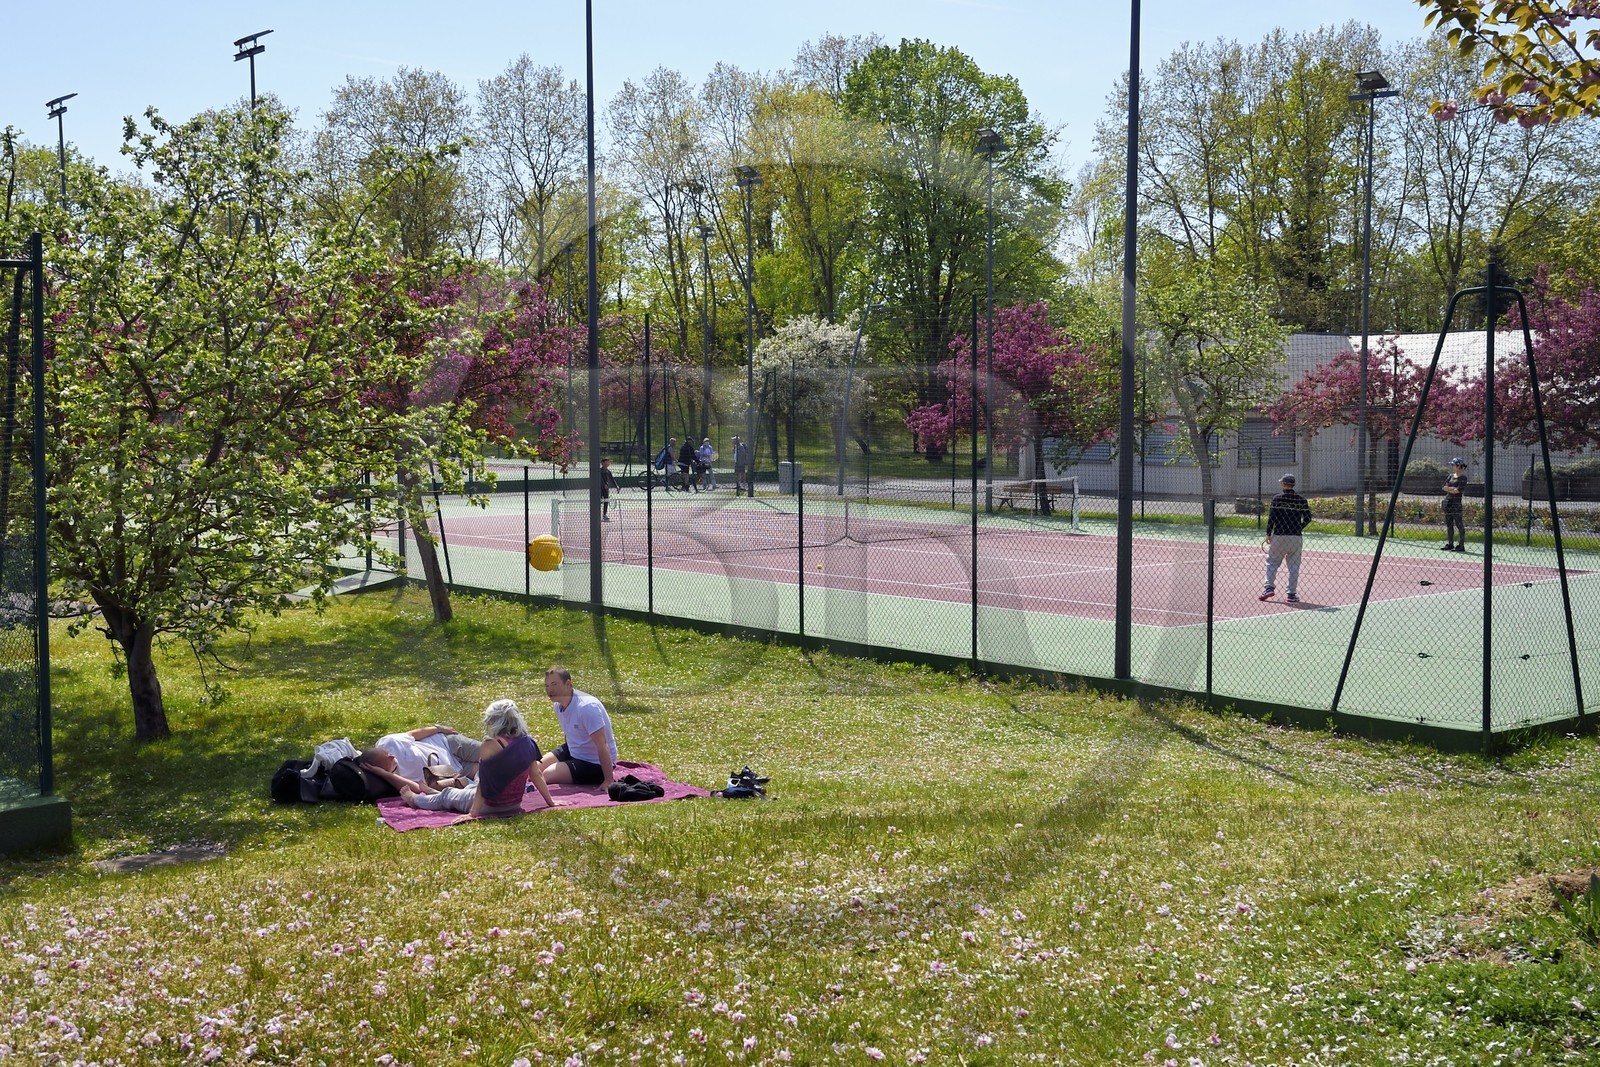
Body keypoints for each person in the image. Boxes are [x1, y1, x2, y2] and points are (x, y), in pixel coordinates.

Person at [400, 699, 562, 818]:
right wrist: (551, 802)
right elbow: (536, 775)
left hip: (489, 807)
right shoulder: (528, 742)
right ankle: (434, 792)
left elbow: (485, 783)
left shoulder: (491, 745)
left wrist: (472, 814)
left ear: (494, 722)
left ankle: (416, 799)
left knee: (448, 795)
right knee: (471, 786)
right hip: (513, 805)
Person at [537, 665, 617, 789]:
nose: (550, 690)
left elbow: (602, 744)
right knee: (534, 769)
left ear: (568, 684)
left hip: (594, 762)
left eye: (554, 684)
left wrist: (608, 780)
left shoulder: (586, 707)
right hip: (574, 749)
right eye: (547, 686)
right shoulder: (558, 705)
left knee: (546, 775)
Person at [358, 723, 481, 795]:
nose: (391, 756)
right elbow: (418, 789)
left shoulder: (388, 743)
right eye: (387, 759)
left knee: (495, 754)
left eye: (386, 753)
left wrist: (438, 728)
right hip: (455, 771)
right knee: (492, 769)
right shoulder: (395, 779)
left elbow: (413, 734)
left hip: (446, 744)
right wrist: (386, 775)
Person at [1260, 473, 1313, 604]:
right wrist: (1298, 527)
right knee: (1294, 566)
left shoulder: (1277, 499)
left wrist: (1268, 533)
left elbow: (1271, 518)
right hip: (1295, 537)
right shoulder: (1301, 499)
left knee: (1272, 562)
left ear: (1283, 484)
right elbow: (1308, 518)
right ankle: (1291, 594)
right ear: (1293, 484)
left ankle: (1269, 588)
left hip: (1279, 535)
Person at [1441, 457, 1468, 552]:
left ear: (1459, 466)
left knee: (1459, 524)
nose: (1452, 466)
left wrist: (1450, 488)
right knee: (1449, 524)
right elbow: (1444, 487)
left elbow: (1458, 491)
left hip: (1456, 504)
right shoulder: (1450, 476)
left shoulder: (1463, 478)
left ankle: (1461, 545)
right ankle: (1450, 543)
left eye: (1453, 465)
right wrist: (1452, 489)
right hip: (1448, 503)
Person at [599, 456, 620, 521]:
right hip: (599, 489)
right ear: (602, 463)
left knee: (606, 501)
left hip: (606, 489)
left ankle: (604, 515)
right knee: (598, 502)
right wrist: (604, 485)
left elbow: (612, 479)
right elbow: (600, 479)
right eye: (606, 462)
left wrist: (616, 486)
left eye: (608, 462)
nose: (608, 463)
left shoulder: (608, 471)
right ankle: (597, 515)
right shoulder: (600, 471)